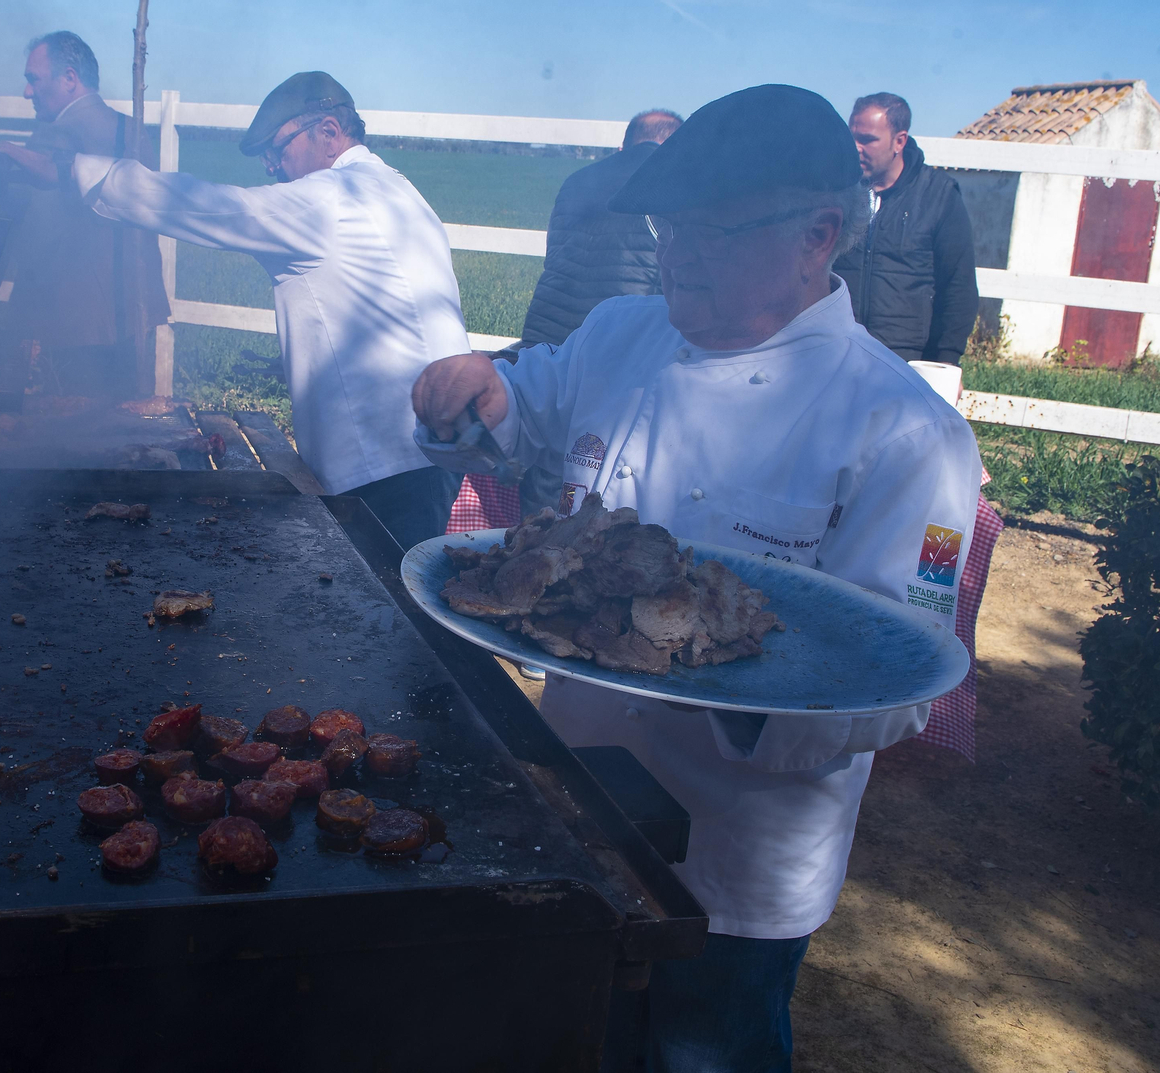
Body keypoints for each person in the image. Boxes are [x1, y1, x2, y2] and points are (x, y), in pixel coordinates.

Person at [411, 84, 982, 1070]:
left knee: (697, 1046)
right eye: (665, 229)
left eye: (710, 233)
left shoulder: (908, 435)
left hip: (734, 860)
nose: (675, 255)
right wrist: (470, 393)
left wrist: (723, 682)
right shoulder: (624, 332)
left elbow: (901, 691)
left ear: (818, 235)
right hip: (577, 793)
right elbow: (522, 409)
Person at [70, 71, 468, 550]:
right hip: (431, 453)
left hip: (380, 465)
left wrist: (86, 173)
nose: (271, 166)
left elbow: (209, 209)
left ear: (328, 133)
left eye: (279, 149)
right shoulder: (400, 192)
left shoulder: (330, 198)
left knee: (376, 607)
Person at [512, 107, 683, 521]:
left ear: (624, 142)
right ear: (674, 145)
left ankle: (532, 551)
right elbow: (667, 283)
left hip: (548, 329)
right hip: (617, 344)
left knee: (547, 473)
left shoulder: (577, 180)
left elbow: (557, 256)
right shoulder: (670, 183)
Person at [0, 31, 170, 398]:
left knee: (76, 440)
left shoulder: (54, 137)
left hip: (74, 332)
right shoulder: (131, 130)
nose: (27, 92)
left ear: (70, 78)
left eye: (33, 79)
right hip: (135, 317)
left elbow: (33, 243)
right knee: (126, 431)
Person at [834, 92, 978, 365]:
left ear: (899, 141)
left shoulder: (938, 196)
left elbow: (958, 287)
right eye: (852, 136)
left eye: (867, 140)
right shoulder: (834, 194)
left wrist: (946, 361)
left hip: (905, 363)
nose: (855, 148)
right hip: (836, 355)